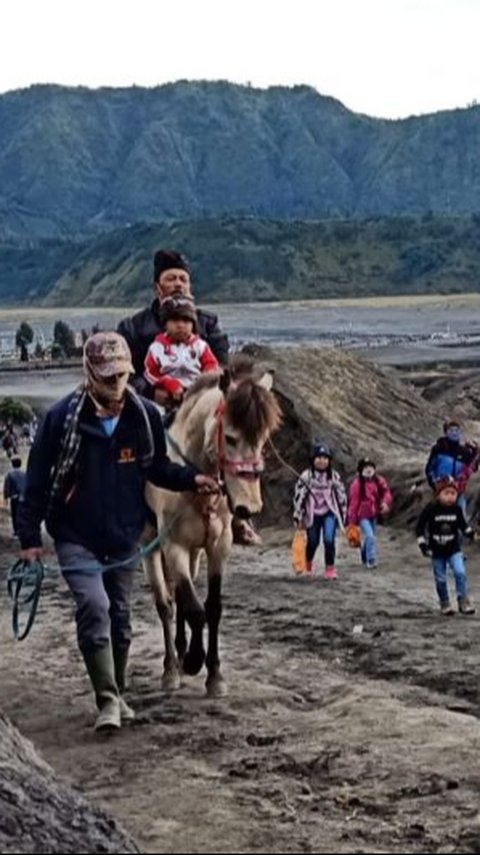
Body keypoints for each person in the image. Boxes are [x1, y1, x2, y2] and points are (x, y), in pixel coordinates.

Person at [17, 332, 219, 733]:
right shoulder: (60, 419)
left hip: (124, 534)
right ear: (89, 372)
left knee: (121, 616)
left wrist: (193, 478)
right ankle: (107, 700)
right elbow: (35, 483)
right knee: (95, 607)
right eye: (107, 376)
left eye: (122, 375)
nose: (115, 384)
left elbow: (157, 468)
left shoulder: (142, 416)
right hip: (74, 534)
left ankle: (119, 691)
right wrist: (29, 541)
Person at [118, 249, 229, 398]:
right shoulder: (133, 328)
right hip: (149, 405)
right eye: (171, 279)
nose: (178, 284)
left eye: (183, 279)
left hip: (200, 400)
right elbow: (122, 375)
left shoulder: (208, 324)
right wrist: (151, 392)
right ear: (157, 288)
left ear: (189, 287)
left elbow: (222, 365)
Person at [144, 294, 219, 411]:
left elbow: (211, 365)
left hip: (196, 392)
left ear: (193, 324)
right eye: (175, 320)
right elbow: (150, 373)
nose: (180, 325)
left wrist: (203, 382)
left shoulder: (200, 345)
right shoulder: (157, 348)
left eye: (185, 321)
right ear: (165, 324)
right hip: (167, 395)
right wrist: (167, 383)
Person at [416, 475, 475, 616]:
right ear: (438, 495)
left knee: (460, 573)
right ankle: (445, 602)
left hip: (454, 549)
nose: (450, 497)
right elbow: (420, 528)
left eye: (453, 493)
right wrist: (423, 546)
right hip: (436, 551)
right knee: (440, 579)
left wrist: (473, 534)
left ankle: (463, 600)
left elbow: (463, 527)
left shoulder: (456, 510)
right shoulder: (430, 509)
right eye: (446, 493)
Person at [293, 443, 346, 580]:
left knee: (329, 539)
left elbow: (341, 495)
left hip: (329, 513)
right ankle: (308, 563)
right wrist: (298, 517)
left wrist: (344, 515)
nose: (322, 461)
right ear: (313, 459)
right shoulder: (306, 477)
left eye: (325, 458)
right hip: (312, 514)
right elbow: (298, 497)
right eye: (319, 457)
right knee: (313, 541)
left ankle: (330, 568)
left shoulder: (334, 476)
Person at [425, 419, 479, 516]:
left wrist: (475, 453)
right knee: (435, 515)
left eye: (457, 430)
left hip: (458, 490)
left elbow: (471, 469)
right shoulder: (438, 448)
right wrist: (434, 484)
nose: (454, 433)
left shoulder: (464, 451)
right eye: (451, 430)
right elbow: (429, 468)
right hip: (440, 488)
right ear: (446, 432)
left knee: (461, 514)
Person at [347, 457, 392, 569]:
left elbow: (386, 492)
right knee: (370, 536)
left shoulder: (378, 480)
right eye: (366, 467)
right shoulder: (357, 484)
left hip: (374, 514)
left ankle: (364, 555)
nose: (368, 469)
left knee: (370, 537)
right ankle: (371, 559)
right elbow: (353, 503)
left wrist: (385, 503)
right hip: (362, 516)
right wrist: (351, 522)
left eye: (371, 467)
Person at [3, 456, 26, 537]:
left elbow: (7, 487)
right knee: (22, 514)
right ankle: (22, 529)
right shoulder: (24, 474)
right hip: (23, 497)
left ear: (12, 464)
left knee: (14, 514)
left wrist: (5, 497)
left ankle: (16, 530)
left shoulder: (9, 474)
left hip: (14, 497)